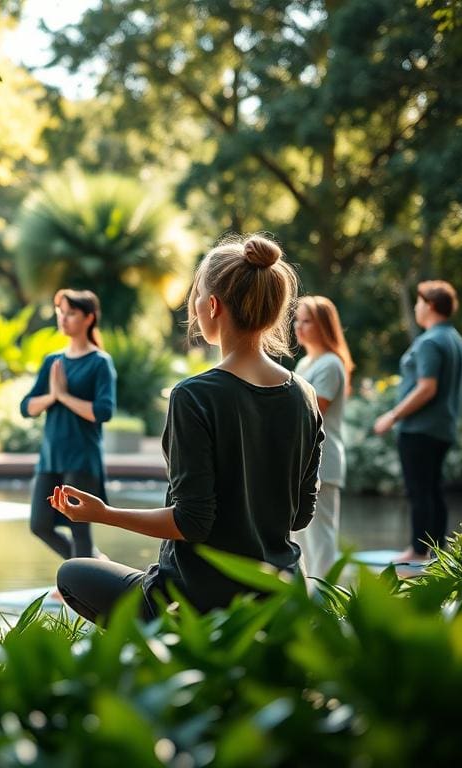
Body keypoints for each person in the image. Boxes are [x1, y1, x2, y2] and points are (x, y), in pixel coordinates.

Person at [50, 235, 323, 624]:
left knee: (72, 575)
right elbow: (299, 517)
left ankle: (168, 647)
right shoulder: (304, 395)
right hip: (279, 595)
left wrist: (104, 513)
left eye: (196, 296)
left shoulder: (194, 395)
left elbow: (192, 523)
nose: (193, 306)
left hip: (198, 600)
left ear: (212, 305)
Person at [21, 289, 116, 564]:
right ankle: (93, 565)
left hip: (82, 459)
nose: (63, 319)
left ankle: (82, 582)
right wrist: (52, 396)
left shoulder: (100, 362)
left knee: (79, 530)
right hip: (50, 459)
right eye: (60, 313)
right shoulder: (53, 361)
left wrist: (63, 396)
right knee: (39, 525)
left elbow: (103, 411)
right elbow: (27, 407)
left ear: (89, 318)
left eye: (71, 313)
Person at [373, 280, 462, 562]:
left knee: (419, 490)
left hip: (419, 429)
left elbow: (427, 388)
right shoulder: (455, 339)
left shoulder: (430, 341)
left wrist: (392, 416)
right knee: (433, 489)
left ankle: (418, 550)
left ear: (430, 305)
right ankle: (437, 551)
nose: (415, 308)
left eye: (418, 302)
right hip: (443, 428)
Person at [291, 296, 354, 579]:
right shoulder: (305, 363)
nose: (298, 327)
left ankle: (324, 597)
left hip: (323, 460)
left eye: (307, 321)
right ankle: (306, 595)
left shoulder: (330, 364)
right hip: (304, 461)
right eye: (297, 320)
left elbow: (313, 411)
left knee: (321, 538)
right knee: (302, 538)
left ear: (324, 326)